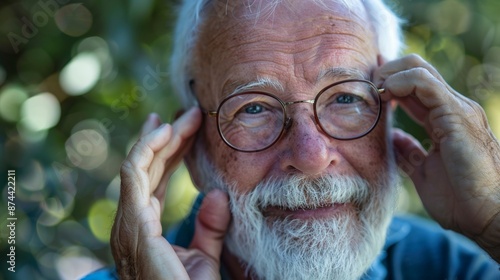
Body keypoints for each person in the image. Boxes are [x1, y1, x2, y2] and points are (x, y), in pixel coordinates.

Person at [84, 0, 500, 279]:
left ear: (391, 116)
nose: (311, 155)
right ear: (191, 147)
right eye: (253, 109)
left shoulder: (452, 267)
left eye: (344, 98)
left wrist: (493, 221)